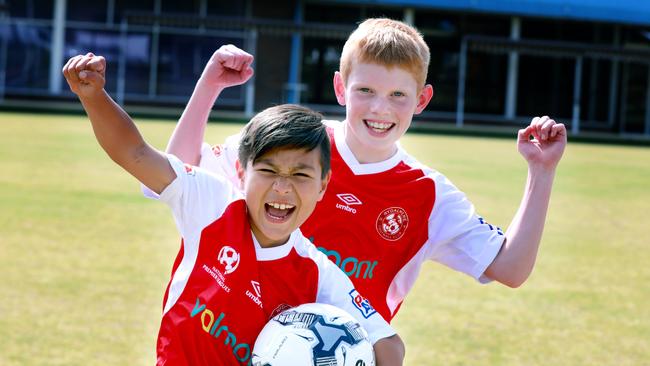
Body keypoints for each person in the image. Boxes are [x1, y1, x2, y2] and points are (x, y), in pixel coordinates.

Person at [160, 18, 567, 323]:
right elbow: (180, 175)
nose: (380, 109)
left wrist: (541, 173)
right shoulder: (292, 140)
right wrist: (208, 86)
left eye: (398, 96)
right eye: (366, 91)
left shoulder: (429, 195)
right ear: (340, 88)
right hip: (235, 342)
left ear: (422, 99)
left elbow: (511, 268)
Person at [62, 53, 405, 365]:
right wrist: (93, 97)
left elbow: (389, 343)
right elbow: (135, 154)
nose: (282, 188)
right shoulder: (213, 204)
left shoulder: (318, 274)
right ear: (241, 172)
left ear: (323, 186)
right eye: (268, 171)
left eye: (300, 174)